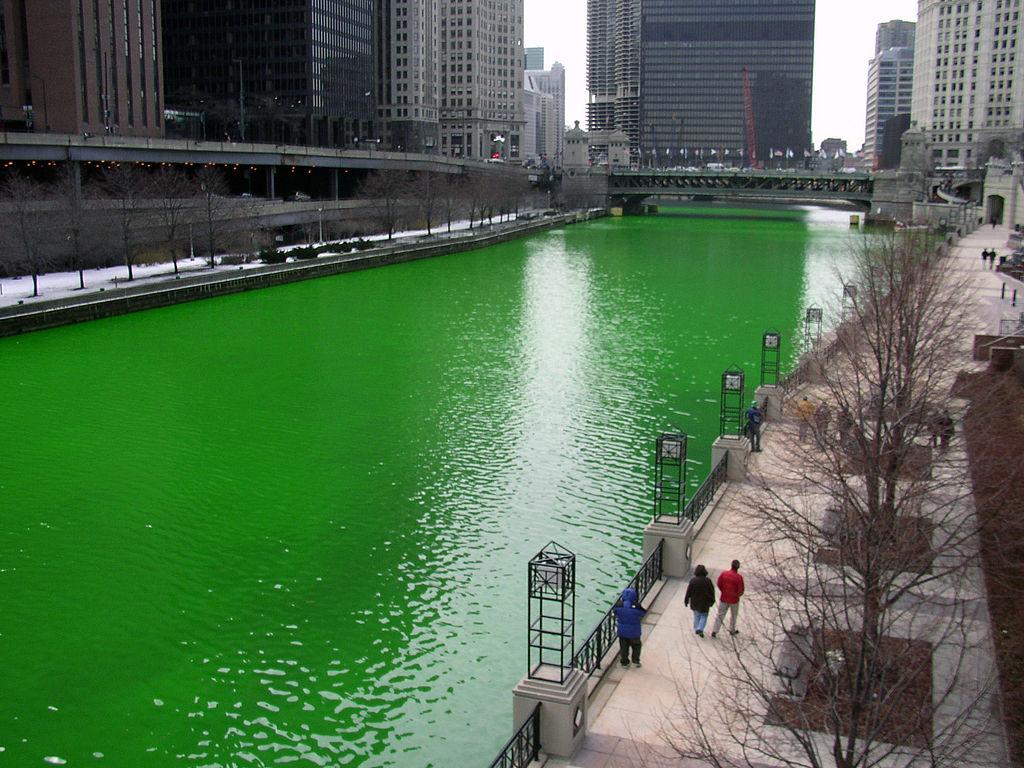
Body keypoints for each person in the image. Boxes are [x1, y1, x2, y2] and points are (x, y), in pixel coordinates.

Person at [613, 587, 647, 668]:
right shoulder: (637, 606)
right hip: (634, 631)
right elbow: (643, 613)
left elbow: (615, 612)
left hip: (622, 631)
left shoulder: (619, 605)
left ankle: (624, 663)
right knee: (636, 646)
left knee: (624, 647)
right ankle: (635, 661)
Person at [711, 560, 745, 638]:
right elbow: (741, 589)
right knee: (733, 615)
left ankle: (715, 630)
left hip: (724, 598)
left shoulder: (724, 574)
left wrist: (723, 591)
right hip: (734, 600)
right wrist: (737, 595)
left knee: (720, 614)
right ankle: (732, 630)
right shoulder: (739, 577)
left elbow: (719, 583)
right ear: (738, 567)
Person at [684, 564, 716, 637]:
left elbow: (688, 592)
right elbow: (712, 591)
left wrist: (686, 600)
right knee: (704, 616)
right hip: (704, 602)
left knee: (696, 615)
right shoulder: (708, 581)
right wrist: (712, 601)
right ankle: (700, 628)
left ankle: (696, 628)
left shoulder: (693, 581)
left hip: (695, 602)